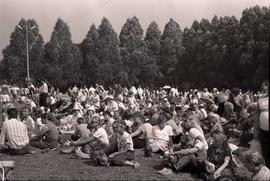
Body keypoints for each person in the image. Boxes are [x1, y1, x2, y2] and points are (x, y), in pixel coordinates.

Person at [254, 81, 269, 167]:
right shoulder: (260, 99)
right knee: (265, 152)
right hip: (263, 130)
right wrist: (255, 130)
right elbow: (257, 115)